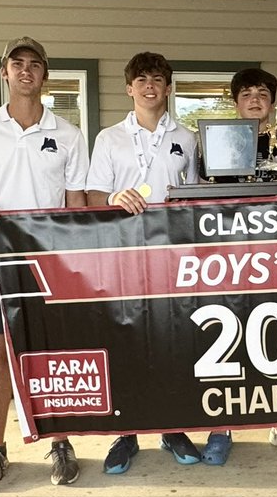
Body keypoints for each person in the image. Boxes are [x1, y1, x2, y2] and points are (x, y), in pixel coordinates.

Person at [0, 37, 90, 488]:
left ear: (45, 75)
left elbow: (75, 205)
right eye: (18, 64)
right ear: (5, 73)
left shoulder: (69, 134)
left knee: (52, 358)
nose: (26, 71)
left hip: (47, 268)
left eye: (35, 65)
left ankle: (60, 441)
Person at [86, 52, 201, 473]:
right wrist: (115, 198)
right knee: (125, 340)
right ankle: (126, 431)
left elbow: (195, 199)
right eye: (141, 79)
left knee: (171, 340)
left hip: (170, 257)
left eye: (158, 78)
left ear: (168, 88)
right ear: (128, 87)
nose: (150, 85)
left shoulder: (187, 138)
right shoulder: (108, 138)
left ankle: (171, 426)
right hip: (121, 257)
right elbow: (92, 197)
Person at [218, 67, 277, 461]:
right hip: (229, 259)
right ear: (235, 102)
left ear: (273, 102)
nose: (254, 100)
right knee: (224, 342)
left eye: (262, 93)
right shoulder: (215, 144)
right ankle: (221, 427)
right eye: (246, 94)